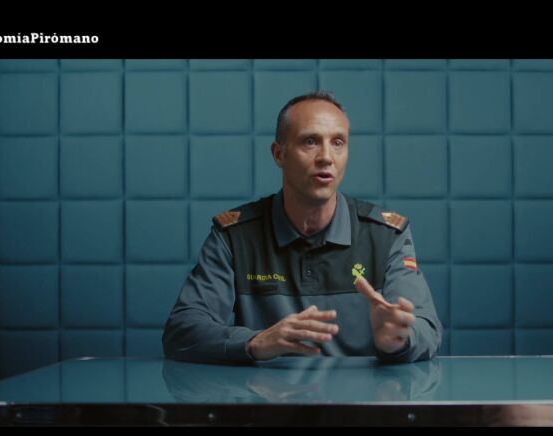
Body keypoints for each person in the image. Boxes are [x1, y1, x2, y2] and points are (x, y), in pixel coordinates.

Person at [162, 91, 442, 363]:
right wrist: (255, 342)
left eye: (338, 142)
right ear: (279, 154)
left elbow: (427, 328)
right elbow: (182, 330)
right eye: (310, 142)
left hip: (364, 396)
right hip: (265, 394)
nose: (326, 157)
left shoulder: (386, 235)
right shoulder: (234, 236)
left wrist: (399, 340)